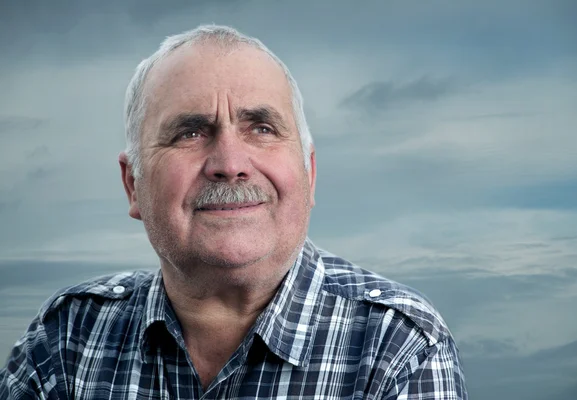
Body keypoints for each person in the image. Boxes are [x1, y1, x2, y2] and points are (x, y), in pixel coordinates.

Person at [0, 25, 467, 399]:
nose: (230, 165)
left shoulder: (398, 349)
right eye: (189, 133)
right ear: (133, 186)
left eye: (261, 128)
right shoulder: (66, 340)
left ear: (309, 174)